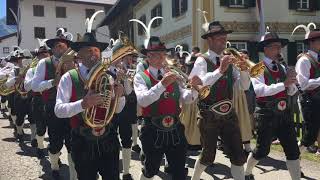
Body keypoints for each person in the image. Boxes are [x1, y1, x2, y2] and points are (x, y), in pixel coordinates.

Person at [54, 27, 126, 180]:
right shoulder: (69, 77)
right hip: (82, 140)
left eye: (96, 50)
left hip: (108, 138)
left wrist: (119, 96)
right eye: (88, 50)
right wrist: (83, 104)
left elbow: (118, 110)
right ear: (79, 54)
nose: (94, 54)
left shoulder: (109, 76)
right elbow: (58, 110)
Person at [190, 21, 250, 180]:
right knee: (207, 155)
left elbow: (244, 86)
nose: (224, 41)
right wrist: (220, 70)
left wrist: (244, 71)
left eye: (225, 38)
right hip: (208, 114)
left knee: (238, 155)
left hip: (229, 113)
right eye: (219, 38)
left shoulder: (229, 60)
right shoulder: (201, 60)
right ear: (209, 40)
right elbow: (198, 84)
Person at [134, 36, 200, 180]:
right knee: (151, 169)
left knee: (179, 170)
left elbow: (187, 99)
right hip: (152, 128)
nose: (162, 58)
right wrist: (162, 84)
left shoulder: (173, 75)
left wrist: (195, 89)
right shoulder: (140, 77)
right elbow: (143, 101)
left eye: (163, 54)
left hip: (175, 127)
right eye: (157, 55)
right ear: (149, 57)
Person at [245, 31, 300, 180]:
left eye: (279, 47)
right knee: (262, 150)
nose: (279, 50)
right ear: (266, 49)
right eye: (275, 47)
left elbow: (291, 91)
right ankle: (247, 172)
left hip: (284, 113)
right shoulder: (258, 68)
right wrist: (284, 83)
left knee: (293, 150)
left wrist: (292, 81)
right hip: (266, 114)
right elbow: (259, 91)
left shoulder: (282, 68)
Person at [31, 28, 73, 179]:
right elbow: (35, 86)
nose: (60, 48)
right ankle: (54, 167)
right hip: (52, 106)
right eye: (57, 46)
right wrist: (51, 82)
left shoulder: (74, 62)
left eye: (63, 46)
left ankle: (74, 174)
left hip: (72, 107)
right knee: (55, 141)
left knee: (73, 142)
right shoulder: (44, 62)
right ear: (53, 48)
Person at [293, 25, 320, 156]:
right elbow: (302, 84)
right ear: (311, 43)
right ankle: (295, 158)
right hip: (310, 100)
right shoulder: (304, 60)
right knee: (310, 135)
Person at [24, 42, 51, 157]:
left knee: (54, 130)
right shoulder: (32, 70)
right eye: (41, 55)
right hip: (38, 100)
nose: (44, 57)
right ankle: (40, 146)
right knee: (40, 128)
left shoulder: (54, 68)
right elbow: (26, 87)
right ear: (37, 57)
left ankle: (53, 153)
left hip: (52, 100)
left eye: (46, 54)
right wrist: (36, 78)